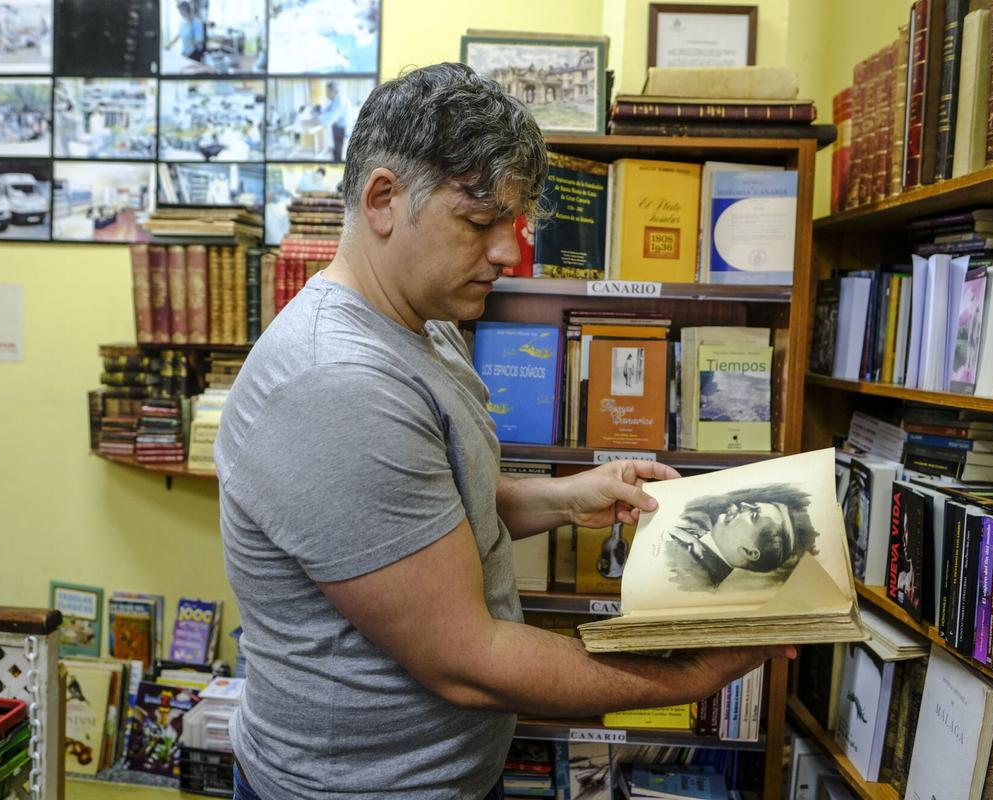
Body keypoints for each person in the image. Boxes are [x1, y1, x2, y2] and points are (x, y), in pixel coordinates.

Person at [216, 63, 789, 800]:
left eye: (514, 224)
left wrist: (571, 496)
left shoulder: (422, 322)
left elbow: (441, 512)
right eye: (480, 222)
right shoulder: (337, 383)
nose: (509, 253)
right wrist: (691, 674)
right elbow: (468, 661)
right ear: (384, 200)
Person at [662, 484, 820, 592]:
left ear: (749, 551)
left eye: (753, 514)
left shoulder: (693, 577)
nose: (744, 504)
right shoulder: (696, 523)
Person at [320, 79, 350, 160]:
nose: (326, 94)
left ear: (332, 91)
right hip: (338, 127)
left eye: (327, 91)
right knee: (336, 148)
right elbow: (327, 109)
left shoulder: (339, 100)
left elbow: (330, 119)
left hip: (341, 128)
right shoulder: (336, 99)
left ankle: (336, 162)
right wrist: (320, 111)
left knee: (338, 150)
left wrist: (318, 119)